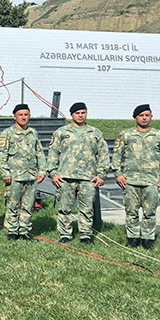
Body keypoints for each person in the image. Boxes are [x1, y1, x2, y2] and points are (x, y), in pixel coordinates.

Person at [46, 102, 109, 245]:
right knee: (64, 208)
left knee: (87, 208)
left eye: (83, 113)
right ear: (72, 115)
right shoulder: (62, 132)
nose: (80, 115)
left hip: (88, 177)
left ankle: (85, 235)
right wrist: (53, 173)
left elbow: (103, 154)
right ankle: (65, 234)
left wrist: (102, 174)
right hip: (65, 176)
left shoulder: (95, 133)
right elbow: (53, 153)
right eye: (77, 113)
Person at [111, 104, 160, 250]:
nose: (144, 118)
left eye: (147, 115)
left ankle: (147, 239)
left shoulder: (159, 135)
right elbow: (117, 155)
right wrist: (118, 174)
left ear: (151, 117)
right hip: (130, 180)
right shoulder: (126, 135)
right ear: (135, 118)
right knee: (131, 211)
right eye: (141, 115)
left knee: (149, 212)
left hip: (151, 180)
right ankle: (133, 238)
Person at [0, 104, 46, 241]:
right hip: (15, 176)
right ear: (15, 117)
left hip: (31, 175)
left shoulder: (33, 133)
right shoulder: (7, 133)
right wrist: (6, 173)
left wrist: (42, 171)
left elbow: (39, 152)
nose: (24, 117)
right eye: (20, 115)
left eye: (26, 115)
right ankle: (12, 231)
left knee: (28, 205)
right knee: (12, 204)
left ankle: (24, 231)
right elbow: (1, 154)